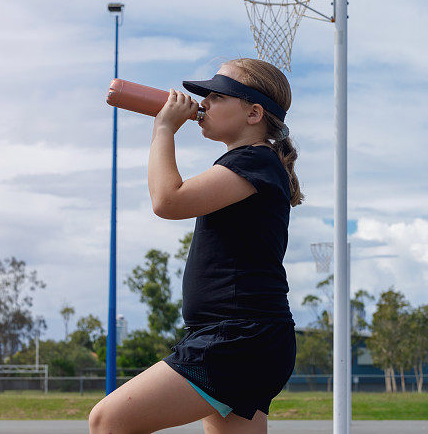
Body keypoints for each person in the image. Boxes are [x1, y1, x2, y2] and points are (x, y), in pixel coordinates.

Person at [89, 58, 303, 434]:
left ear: (254, 113)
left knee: (109, 420)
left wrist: (164, 129)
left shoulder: (255, 161)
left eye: (217, 96)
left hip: (239, 336)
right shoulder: (254, 162)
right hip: (245, 336)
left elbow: (167, 201)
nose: (202, 102)